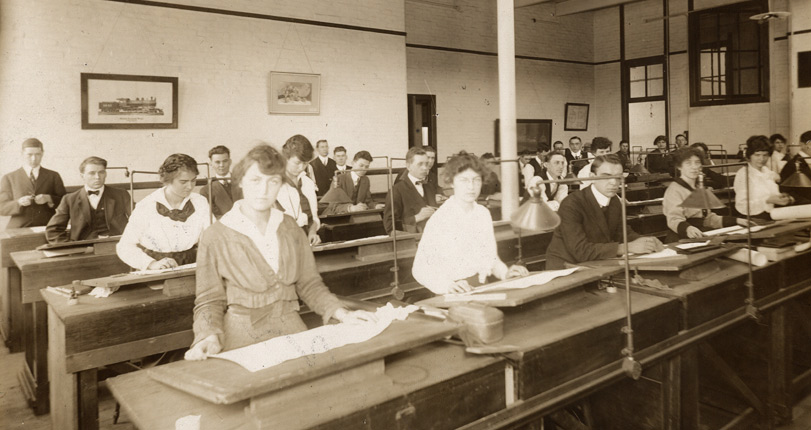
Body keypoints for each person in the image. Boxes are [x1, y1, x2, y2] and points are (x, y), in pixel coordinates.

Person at [185, 144, 376, 359]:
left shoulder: (290, 227)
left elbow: (310, 285)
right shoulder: (216, 235)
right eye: (256, 180)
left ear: (280, 185)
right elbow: (209, 299)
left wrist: (342, 314)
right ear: (240, 181)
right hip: (242, 339)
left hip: (291, 330)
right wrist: (208, 335)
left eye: (273, 181)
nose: (264, 190)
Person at [412, 152, 528, 294]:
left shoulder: (482, 213)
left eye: (476, 180)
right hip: (453, 291)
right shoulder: (441, 219)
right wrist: (447, 286)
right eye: (464, 180)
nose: (471, 187)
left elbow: (490, 257)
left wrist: (505, 273)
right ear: (452, 182)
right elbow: (419, 268)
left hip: (480, 286)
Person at [545, 155, 664, 269]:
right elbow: (581, 251)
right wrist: (627, 248)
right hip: (566, 269)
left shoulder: (615, 202)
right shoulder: (571, 204)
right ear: (592, 177)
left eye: (618, 177)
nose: (614, 182)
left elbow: (623, 234)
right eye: (606, 176)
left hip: (595, 265)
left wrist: (647, 242)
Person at [116, 154, 211, 270]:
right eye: (183, 182)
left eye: (193, 180)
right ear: (168, 180)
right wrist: (151, 264)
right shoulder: (146, 206)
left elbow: (211, 238)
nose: (190, 186)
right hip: (157, 268)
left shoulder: (200, 202)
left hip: (191, 266)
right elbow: (124, 246)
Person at [663, 148, 744, 242]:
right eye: (688, 163)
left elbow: (708, 219)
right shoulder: (674, 190)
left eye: (697, 163)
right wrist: (688, 229)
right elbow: (674, 219)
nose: (694, 167)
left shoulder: (699, 188)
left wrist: (737, 221)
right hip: (681, 238)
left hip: (701, 233)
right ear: (679, 167)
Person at [46, 156, 131, 243]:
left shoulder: (121, 194)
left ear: (105, 174)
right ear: (82, 176)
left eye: (101, 172)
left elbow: (140, 221)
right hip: (84, 248)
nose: (97, 177)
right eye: (92, 173)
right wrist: (71, 247)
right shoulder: (69, 199)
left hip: (117, 245)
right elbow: (53, 230)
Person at [0, 138, 66, 228]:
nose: (34, 158)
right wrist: (18, 203)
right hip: (19, 227)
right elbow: (1, 207)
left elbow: (66, 202)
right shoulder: (9, 178)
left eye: (37, 154)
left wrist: (49, 198)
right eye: (29, 155)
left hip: (48, 226)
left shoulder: (53, 175)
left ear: (42, 154)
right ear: (22, 154)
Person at [734, 135, 793, 219]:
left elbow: (770, 194)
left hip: (772, 215)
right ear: (749, 156)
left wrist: (781, 196)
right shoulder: (744, 174)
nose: (762, 159)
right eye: (757, 155)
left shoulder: (767, 171)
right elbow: (742, 205)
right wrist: (767, 200)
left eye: (765, 155)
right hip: (753, 219)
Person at [277, 135, 322, 245]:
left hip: (305, 241)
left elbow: (313, 218)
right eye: (297, 163)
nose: (301, 167)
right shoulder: (275, 183)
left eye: (305, 163)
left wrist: (312, 233)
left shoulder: (308, 183)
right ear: (285, 159)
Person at [383, 146, 437, 234]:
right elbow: (389, 225)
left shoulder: (429, 187)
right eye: (420, 164)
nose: (425, 168)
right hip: (411, 241)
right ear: (408, 166)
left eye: (426, 164)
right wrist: (417, 217)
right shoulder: (396, 190)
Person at [200, 145, 240, 219]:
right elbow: (212, 217)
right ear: (211, 164)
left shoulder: (243, 183)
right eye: (217, 162)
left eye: (225, 161)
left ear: (230, 162)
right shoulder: (206, 191)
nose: (222, 165)